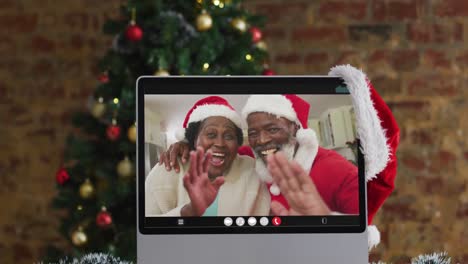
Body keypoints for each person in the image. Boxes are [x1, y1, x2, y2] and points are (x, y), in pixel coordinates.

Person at [145, 96, 270, 217]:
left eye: (229, 136)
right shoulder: (167, 169)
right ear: (193, 140)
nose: (220, 143)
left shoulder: (252, 175)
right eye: (211, 134)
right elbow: (144, 229)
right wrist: (189, 211)